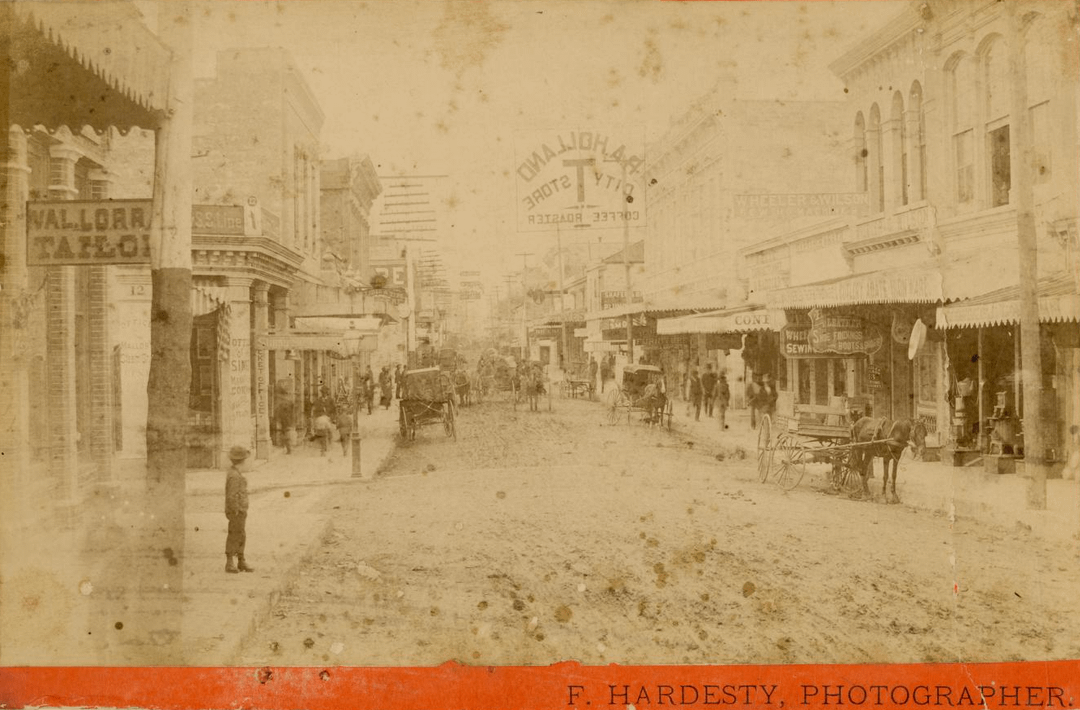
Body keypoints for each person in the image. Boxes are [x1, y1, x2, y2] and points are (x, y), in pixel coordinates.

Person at [224, 445, 254, 574]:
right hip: (236, 511)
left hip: (240, 510)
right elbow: (231, 495)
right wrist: (235, 510)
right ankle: (230, 562)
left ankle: (241, 560)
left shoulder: (235, 473)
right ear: (242, 461)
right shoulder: (234, 475)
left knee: (241, 534)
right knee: (234, 535)